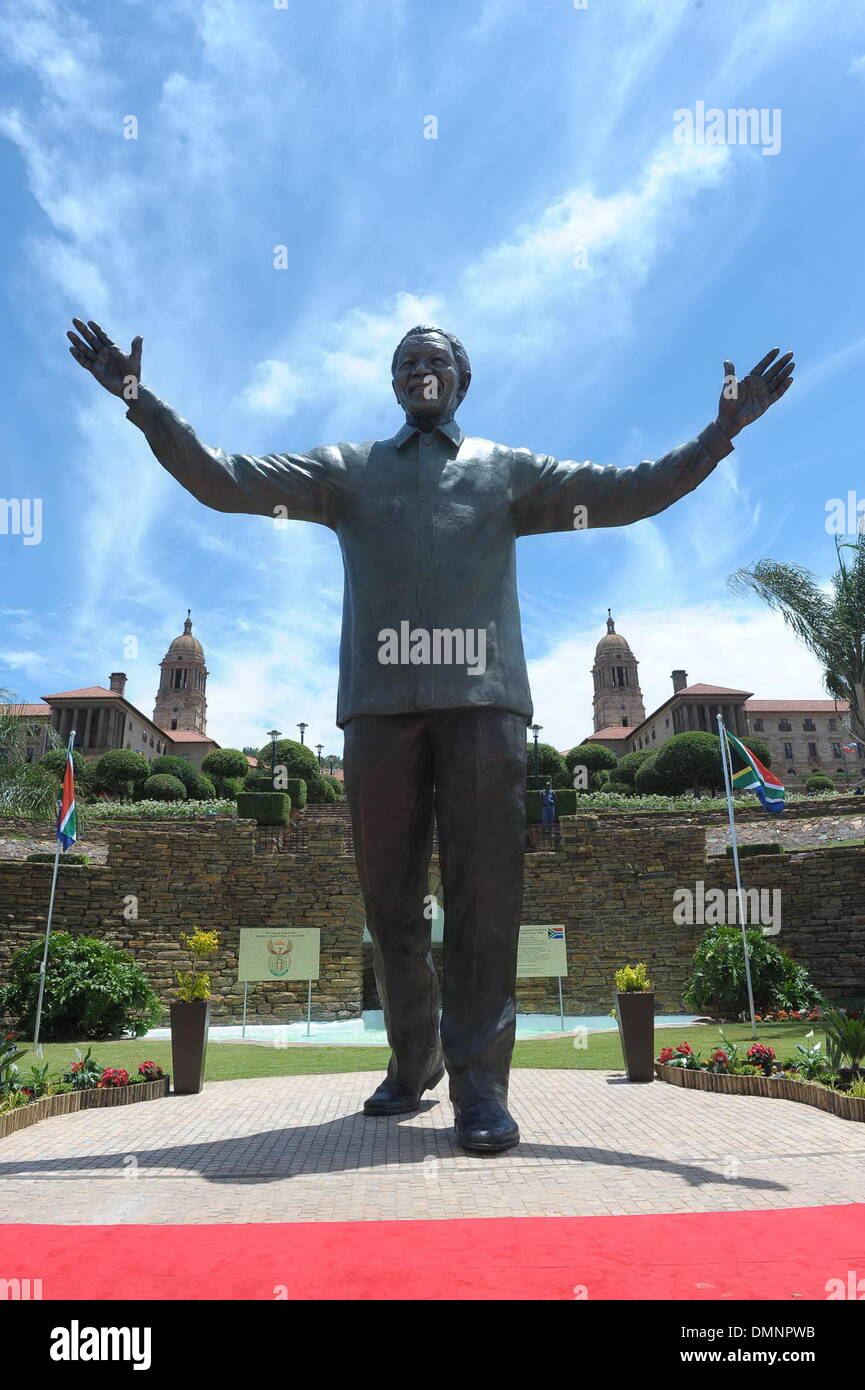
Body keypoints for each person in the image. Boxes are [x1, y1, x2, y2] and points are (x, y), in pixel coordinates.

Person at [67, 316, 794, 1151]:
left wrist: (718, 434)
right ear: (393, 382)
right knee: (389, 906)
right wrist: (137, 396)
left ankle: (481, 1089)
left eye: (436, 360)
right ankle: (414, 1061)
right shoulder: (347, 472)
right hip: (378, 709)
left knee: (487, 904)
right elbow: (223, 479)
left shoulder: (506, 472)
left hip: (485, 707)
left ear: (460, 380)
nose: (421, 370)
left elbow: (629, 492)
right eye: (407, 361)